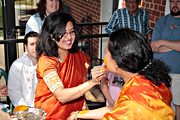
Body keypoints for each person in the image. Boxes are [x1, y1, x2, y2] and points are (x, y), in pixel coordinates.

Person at [68, 28, 175, 120]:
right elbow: (116, 108)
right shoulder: (145, 79)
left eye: (106, 53)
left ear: (118, 62)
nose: (104, 58)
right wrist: (79, 114)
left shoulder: (134, 100)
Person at [34, 12, 105, 120]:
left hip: (74, 115)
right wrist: (92, 82)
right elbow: (61, 96)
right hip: (50, 116)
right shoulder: (47, 61)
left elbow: (79, 87)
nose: (69, 37)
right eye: (63, 33)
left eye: (71, 32)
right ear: (52, 36)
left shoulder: (80, 57)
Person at [101, 0, 151, 106]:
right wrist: (119, 41)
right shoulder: (119, 13)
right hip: (123, 53)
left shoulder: (144, 14)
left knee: (137, 81)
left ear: (138, 2)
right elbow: (109, 28)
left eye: (133, 1)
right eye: (128, 1)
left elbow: (146, 31)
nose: (130, 4)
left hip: (138, 55)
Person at [151, 0, 180, 119]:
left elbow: (159, 44)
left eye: (178, 1)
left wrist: (162, 42)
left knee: (178, 105)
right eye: (172, 1)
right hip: (159, 72)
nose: (175, 4)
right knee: (159, 103)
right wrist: (175, 46)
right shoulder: (162, 21)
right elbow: (154, 46)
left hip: (177, 73)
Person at [8, 31, 39, 107]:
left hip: (45, 108)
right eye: (32, 44)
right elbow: (14, 92)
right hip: (25, 110)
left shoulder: (47, 63)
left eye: (38, 43)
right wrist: (27, 110)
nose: (35, 47)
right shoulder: (17, 65)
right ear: (26, 46)